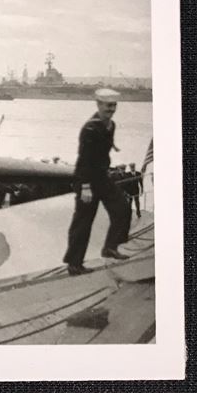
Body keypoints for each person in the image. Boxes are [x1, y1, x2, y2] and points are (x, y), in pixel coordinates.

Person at [62, 88, 133, 276]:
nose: (112, 109)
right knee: (83, 222)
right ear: (99, 105)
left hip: (102, 176)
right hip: (86, 179)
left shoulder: (111, 125)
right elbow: (84, 159)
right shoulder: (90, 128)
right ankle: (74, 264)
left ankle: (110, 246)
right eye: (108, 105)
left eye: (114, 105)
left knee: (123, 208)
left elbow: (104, 147)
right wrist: (85, 187)